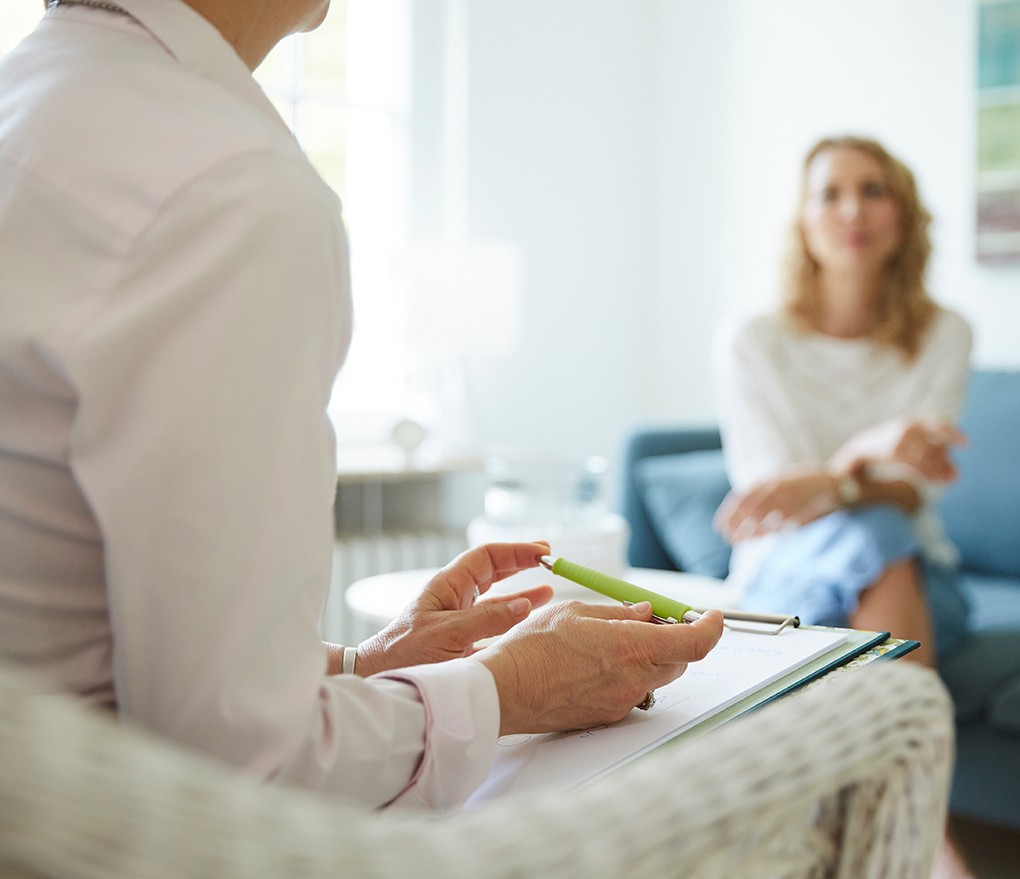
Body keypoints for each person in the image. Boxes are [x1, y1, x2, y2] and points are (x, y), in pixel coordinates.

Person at [0, 0, 723, 813]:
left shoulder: (37, 97)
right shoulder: (230, 192)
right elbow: (246, 767)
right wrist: (512, 685)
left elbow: (81, 639)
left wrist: (361, 663)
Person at [712, 135, 973, 877]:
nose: (852, 209)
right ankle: (926, 838)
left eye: (874, 190)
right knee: (876, 530)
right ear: (802, 218)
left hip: (921, 579)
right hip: (780, 579)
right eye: (829, 192)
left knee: (884, 533)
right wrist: (869, 452)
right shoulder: (752, 341)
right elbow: (775, 500)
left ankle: (892, 839)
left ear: (905, 215)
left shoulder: (944, 333)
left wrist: (833, 476)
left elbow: (915, 488)